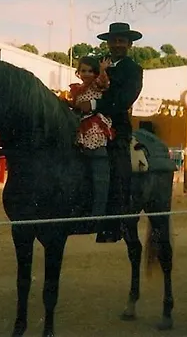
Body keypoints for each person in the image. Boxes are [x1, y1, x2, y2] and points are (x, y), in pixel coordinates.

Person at [74, 22, 143, 243]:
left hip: (115, 126)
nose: (117, 44)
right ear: (108, 43)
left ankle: (116, 222)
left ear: (129, 44)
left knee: (118, 167)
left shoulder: (133, 70)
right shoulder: (99, 63)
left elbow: (124, 100)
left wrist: (94, 105)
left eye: (121, 41)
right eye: (113, 40)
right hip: (85, 121)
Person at [67, 55, 114, 231]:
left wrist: (102, 70)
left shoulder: (96, 84)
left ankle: (98, 215)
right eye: (83, 70)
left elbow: (104, 83)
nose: (86, 74)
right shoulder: (77, 90)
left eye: (90, 71)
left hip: (95, 127)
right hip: (80, 129)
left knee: (98, 173)